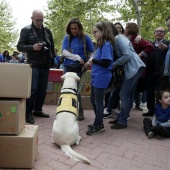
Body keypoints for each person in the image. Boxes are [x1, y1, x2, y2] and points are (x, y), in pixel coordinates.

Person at [17, 9, 55, 124]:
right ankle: (28, 113)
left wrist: (52, 57)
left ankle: (38, 110)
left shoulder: (47, 31)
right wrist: (32, 47)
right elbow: (19, 46)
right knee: (32, 89)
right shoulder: (26, 30)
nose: (40, 22)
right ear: (32, 18)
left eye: (41, 20)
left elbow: (52, 47)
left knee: (43, 90)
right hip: (33, 64)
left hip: (45, 64)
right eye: (37, 20)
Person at [108, 23, 146, 129]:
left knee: (123, 94)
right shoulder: (119, 38)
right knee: (128, 95)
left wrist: (114, 65)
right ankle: (122, 117)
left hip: (133, 68)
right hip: (135, 68)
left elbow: (127, 55)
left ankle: (122, 121)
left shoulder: (119, 38)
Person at [84, 21, 114, 135]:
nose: (94, 34)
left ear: (103, 31)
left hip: (102, 77)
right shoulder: (101, 45)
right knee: (93, 100)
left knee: (99, 102)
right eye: (93, 32)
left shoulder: (106, 44)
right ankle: (98, 122)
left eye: (96, 32)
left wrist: (93, 61)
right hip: (97, 76)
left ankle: (98, 125)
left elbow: (106, 63)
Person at [62, 17, 94, 121]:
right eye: (71, 29)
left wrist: (89, 62)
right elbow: (64, 52)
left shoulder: (86, 38)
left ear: (79, 28)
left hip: (78, 68)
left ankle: (79, 110)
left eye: (75, 28)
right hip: (67, 66)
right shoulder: (67, 38)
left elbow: (93, 52)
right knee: (67, 89)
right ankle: (67, 110)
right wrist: (77, 57)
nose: (73, 31)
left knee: (76, 89)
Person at [125, 22, 154, 111]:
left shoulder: (137, 39)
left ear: (131, 28)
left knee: (130, 91)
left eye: (126, 27)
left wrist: (139, 55)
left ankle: (127, 112)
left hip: (136, 68)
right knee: (131, 91)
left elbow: (150, 46)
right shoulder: (128, 39)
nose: (125, 28)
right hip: (129, 67)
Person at [143, 27, 169, 117]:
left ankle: (159, 112)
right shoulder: (150, 45)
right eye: (157, 31)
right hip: (150, 73)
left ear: (164, 34)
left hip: (161, 74)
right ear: (154, 33)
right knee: (149, 92)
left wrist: (166, 48)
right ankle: (151, 110)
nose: (159, 33)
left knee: (160, 93)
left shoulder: (167, 44)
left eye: (161, 31)